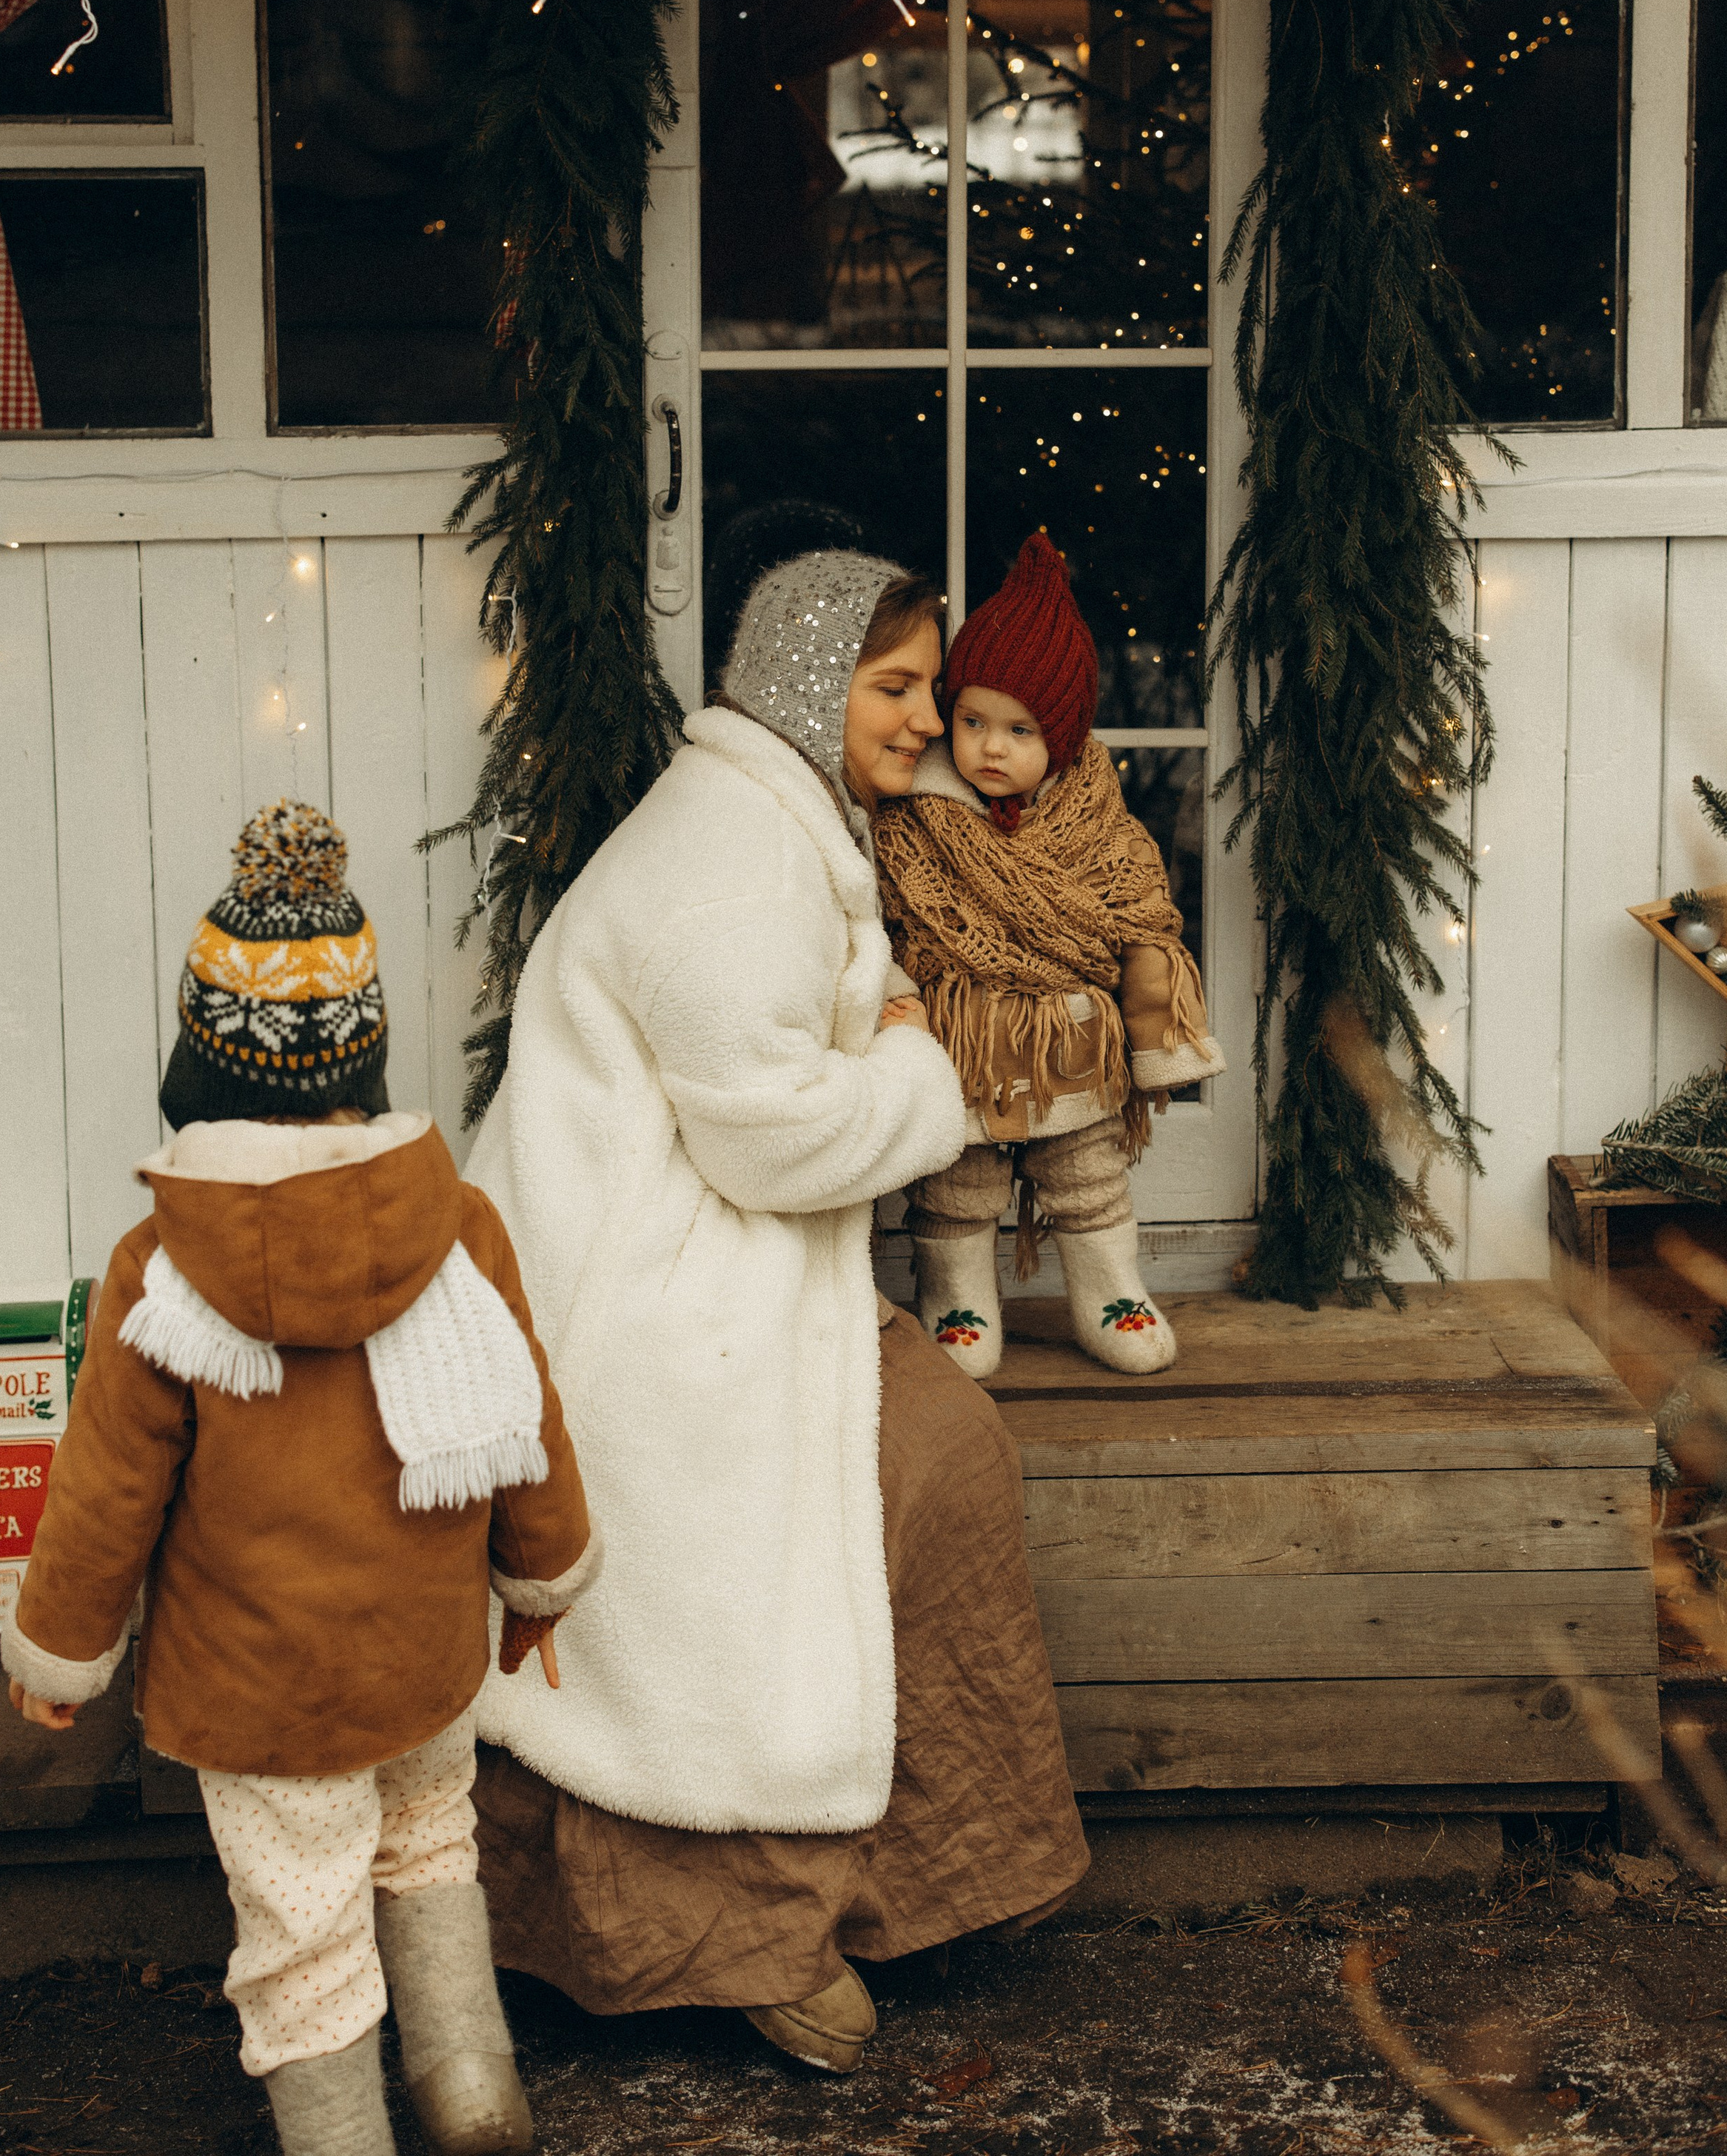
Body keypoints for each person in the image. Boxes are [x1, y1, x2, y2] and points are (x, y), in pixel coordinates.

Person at [469, 549, 1089, 2074]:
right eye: (891, 689)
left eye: (927, 691)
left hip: (725, 1257)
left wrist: (875, 1047)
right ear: (812, 688)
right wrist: (920, 1074)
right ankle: (746, 1930)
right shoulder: (727, 856)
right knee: (876, 1478)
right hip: (634, 1304)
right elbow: (769, 1130)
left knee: (945, 1459)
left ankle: (931, 1871)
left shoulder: (780, 824)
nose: (923, 722)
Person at [3, 802, 596, 2156]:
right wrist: (545, 1574)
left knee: (304, 1925)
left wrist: (60, 1648)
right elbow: (531, 1417)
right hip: (422, 1659)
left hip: (260, 1696)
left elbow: (110, 1488)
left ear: (203, 1065)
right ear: (368, 1053)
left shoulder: (162, 1265)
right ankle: (474, 2099)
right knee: (429, 1841)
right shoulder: (460, 1226)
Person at [872, 532, 1223, 1380]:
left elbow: (1143, 923)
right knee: (955, 1186)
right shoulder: (910, 819)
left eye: (1020, 728)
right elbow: (881, 929)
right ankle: (957, 1303)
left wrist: (1159, 1043)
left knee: (1088, 1172)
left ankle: (1111, 1295)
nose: (991, 747)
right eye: (973, 721)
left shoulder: (1098, 822)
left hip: (1070, 1041)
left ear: (1060, 737)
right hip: (962, 1046)